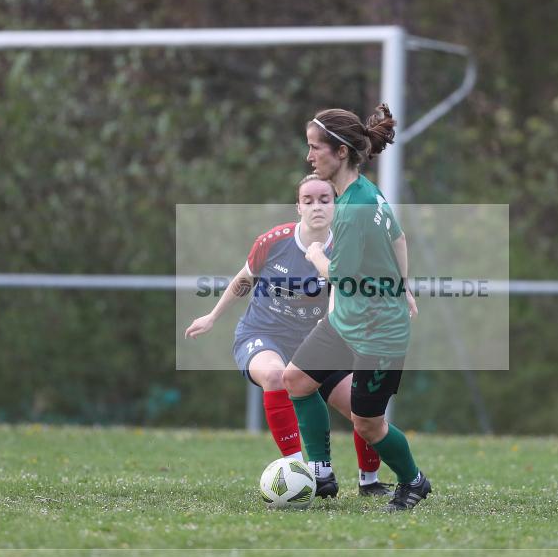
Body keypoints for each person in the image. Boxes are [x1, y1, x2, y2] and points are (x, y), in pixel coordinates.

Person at [184, 174, 392, 497]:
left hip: (321, 342)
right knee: (275, 375)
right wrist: (212, 316)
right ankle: (300, 474)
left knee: (361, 405)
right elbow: (245, 278)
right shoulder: (274, 241)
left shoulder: (348, 247)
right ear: (298, 207)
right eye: (308, 201)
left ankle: (369, 481)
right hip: (264, 334)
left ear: (337, 204)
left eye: (325, 199)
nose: (317, 206)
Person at [282, 104, 431, 511]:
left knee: (368, 424)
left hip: (379, 332)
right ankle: (319, 472)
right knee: (296, 379)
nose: (310, 157)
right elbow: (399, 240)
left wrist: (315, 254)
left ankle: (413, 481)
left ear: (341, 151)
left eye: (316, 148)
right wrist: (403, 285)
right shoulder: (365, 192)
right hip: (345, 321)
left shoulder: (353, 210)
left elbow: (340, 276)